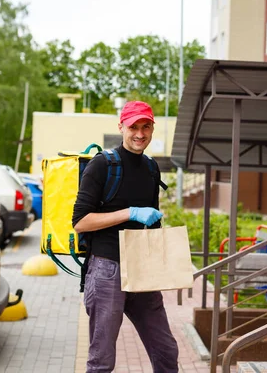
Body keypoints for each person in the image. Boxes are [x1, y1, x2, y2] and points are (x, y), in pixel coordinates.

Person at [72, 100, 179, 373]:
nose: (140, 134)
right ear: (121, 126)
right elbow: (81, 222)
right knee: (102, 361)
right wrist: (130, 212)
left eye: (146, 127)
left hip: (141, 269)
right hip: (108, 269)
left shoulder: (152, 168)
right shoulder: (102, 166)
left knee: (166, 351)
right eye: (133, 127)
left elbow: (150, 221)